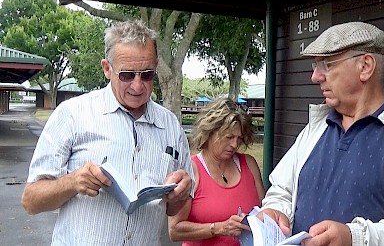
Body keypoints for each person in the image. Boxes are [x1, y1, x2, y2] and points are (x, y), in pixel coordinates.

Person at [260, 21, 384, 245]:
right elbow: (281, 190)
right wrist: (276, 210)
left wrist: (357, 237)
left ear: (365, 66)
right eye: (315, 65)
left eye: (326, 64)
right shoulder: (316, 128)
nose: (315, 76)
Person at [21, 20, 194, 245]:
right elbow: (31, 201)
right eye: (127, 75)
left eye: (147, 74)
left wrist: (180, 194)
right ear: (107, 68)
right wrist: (73, 182)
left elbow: (175, 211)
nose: (138, 86)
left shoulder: (170, 125)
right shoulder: (73, 115)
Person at [168, 98, 265, 245]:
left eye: (239, 139)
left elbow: (264, 212)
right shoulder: (192, 169)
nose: (234, 144)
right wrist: (218, 228)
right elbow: (174, 230)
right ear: (211, 133)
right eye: (229, 137)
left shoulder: (249, 164)